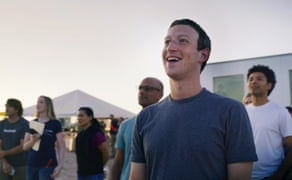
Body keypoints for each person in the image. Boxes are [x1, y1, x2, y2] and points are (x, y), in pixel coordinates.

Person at [130, 18, 258, 180]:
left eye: (182, 41)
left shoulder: (231, 111)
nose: (170, 47)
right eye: (167, 42)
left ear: (203, 55)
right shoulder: (145, 117)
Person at [109, 77, 163, 180]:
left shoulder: (167, 123)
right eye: (140, 88)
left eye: (148, 88)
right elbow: (118, 161)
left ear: (160, 94)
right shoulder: (126, 125)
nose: (142, 92)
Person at [245, 65, 292, 180]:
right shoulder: (241, 112)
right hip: (243, 175)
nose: (254, 82)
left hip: (270, 175)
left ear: (269, 85)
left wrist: (279, 175)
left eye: (259, 79)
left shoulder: (280, 112)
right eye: (251, 79)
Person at [23, 96, 65, 180]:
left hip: (48, 164)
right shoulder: (32, 123)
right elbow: (24, 147)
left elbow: (61, 146)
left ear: (48, 105)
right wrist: (33, 141)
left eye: (41, 102)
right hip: (31, 164)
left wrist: (60, 165)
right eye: (37, 102)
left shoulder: (55, 123)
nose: (37, 104)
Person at [0, 98, 29, 180]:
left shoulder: (25, 124)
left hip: (21, 164)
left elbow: (23, 146)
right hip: (3, 163)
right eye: (6, 106)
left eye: (9, 106)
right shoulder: (1, 124)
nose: (6, 108)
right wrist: (4, 162)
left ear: (16, 109)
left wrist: (4, 153)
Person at [75, 107, 109, 180]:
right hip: (82, 172)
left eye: (81, 116)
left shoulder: (96, 133)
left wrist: (99, 166)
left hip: (94, 174)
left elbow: (105, 153)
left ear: (90, 117)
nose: (79, 118)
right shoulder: (81, 134)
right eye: (78, 116)